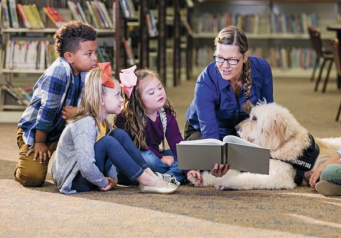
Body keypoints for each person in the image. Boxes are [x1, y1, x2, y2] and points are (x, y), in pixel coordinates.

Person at [52, 63, 178, 194]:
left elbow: (111, 156)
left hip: (89, 175)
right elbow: (86, 166)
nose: (122, 100)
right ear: (101, 100)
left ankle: (149, 175)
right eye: (117, 95)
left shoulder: (103, 123)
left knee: (119, 134)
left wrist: (113, 179)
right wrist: (103, 181)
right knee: (108, 141)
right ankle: (146, 180)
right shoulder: (85, 123)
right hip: (75, 180)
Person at [15, 21, 98, 187]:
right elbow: (47, 111)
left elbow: (97, 106)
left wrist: (80, 111)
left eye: (95, 52)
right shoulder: (59, 71)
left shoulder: (87, 72)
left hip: (63, 131)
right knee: (32, 177)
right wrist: (39, 143)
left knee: (86, 171)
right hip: (39, 132)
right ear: (69, 56)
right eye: (88, 54)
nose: (95, 58)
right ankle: (22, 167)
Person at [184, 25, 273, 178]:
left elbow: (267, 114)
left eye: (232, 60)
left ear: (245, 57)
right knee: (211, 163)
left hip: (242, 131)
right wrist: (215, 158)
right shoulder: (205, 82)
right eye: (219, 58)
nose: (224, 66)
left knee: (271, 159)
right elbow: (210, 136)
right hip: (204, 131)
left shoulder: (262, 68)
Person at [114, 66, 202, 185]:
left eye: (160, 87)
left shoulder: (165, 114)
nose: (159, 93)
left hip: (156, 155)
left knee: (186, 154)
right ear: (137, 100)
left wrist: (188, 169)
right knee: (149, 159)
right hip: (134, 159)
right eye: (151, 92)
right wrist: (161, 158)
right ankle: (168, 175)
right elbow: (135, 147)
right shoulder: (125, 117)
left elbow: (176, 141)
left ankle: (165, 178)